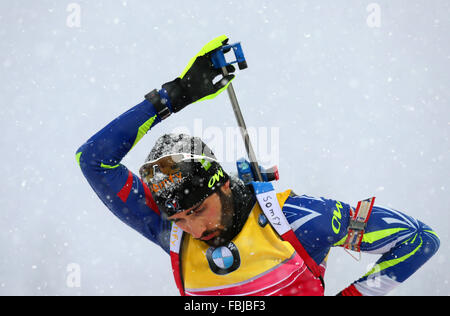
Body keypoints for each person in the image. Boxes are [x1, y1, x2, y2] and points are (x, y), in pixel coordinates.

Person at [76, 35, 440, 296]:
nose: (194, 227)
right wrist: (177, 94)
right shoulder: (164, 228)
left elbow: (418, 240)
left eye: (199, 209)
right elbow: (92, 158)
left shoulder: (294, 219)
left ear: (221, 184)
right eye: (180, 218)